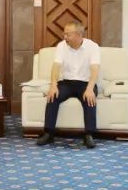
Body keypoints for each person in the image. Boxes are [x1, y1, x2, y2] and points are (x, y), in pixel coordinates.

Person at [36, 21, 100, 149]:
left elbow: (95, 69)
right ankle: (49, 133)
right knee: (53, 96)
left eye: (68, 34)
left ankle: (89, 135)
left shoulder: (93, 46)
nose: (64, 37)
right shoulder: (61, 46)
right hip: (67, 83)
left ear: (78, 35)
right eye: (64, 34)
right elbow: (56, 66)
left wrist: (90, 89)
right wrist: (53, 85)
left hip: (86, 83)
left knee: (89, 99)